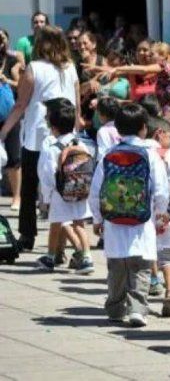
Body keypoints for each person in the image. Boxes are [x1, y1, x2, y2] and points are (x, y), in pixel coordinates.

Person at [89, 103, 170, 327]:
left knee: (116, 267)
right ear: (144, 128)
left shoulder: (108, 155)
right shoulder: (151, 155)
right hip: (143, 220)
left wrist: (97, 218)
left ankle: (115, 309)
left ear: (118, 129)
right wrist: (161, 213)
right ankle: (137, 309)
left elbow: (96, 191)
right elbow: (161, 189)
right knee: (141, 266)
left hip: (114, 221)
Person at [0, 25, 80, 250]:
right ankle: (64, 242)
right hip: (65, 135)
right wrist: (76, 131)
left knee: (30, 188)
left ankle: (27, 235)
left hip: (37, 136)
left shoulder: (34, 68)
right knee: (65, 187)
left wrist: (4, 131)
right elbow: (77, 104)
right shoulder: (70, 67)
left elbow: (21, 104)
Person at [35, 98, 95, 274]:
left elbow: (46, 173)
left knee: (56, 224)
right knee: (79, 224)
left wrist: (46, 197)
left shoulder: (51, 146)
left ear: (52, 126)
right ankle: (87, 256)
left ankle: (51, 256)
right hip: (80, 190)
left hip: (60, 192)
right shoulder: (80, 143)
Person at [145, 117, 170, 318]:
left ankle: (153, 280)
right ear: (159, 133)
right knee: (169, 255)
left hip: (142, 211)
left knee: (149, 250)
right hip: (167, 210)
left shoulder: (142, 153)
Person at [0, 28, 23, 210]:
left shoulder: (13, 60)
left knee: (14, 158)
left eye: (2, 38)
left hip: (10, 116)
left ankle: (16, 197)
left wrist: (6, 80)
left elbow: (21, 86)